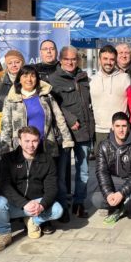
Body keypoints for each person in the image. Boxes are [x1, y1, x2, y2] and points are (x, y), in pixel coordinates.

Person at [0, 126, 63, 250]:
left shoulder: (47, 160)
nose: (31, 145)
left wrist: (42, 205)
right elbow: (4, 186)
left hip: (37, 203)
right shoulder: (8, 159)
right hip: (16, 204)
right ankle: (4, 233)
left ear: (39, 141)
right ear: (19, 141)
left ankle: (34, 221)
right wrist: (24, 204)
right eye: (27, 141)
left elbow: (52, 187)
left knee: (58, 210)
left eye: (34, 141)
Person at [49, 46, 95, 221]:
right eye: (67, 59)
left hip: (84, 132)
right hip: (65, 134)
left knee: (83, 171)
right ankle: (62, 206)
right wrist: (69, 119)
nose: (70, 62)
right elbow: (53, 104)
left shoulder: (84, 78)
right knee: (62, 172)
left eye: (73, 59)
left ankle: (79, 203)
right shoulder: (53, 80)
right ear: (60, 60)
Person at [0, 64, 74, 159]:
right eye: (25, 76)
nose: (29, 79)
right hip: (22, 148)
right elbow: (6, 126)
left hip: (46, 145)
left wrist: (67, 139)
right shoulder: (11, 99)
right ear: (19, 79)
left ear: (37, 79)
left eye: (32, 76)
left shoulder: (46, 96)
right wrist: (6, 148)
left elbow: (59, 118)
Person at [91, 112, 131, 228]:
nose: (121, 130)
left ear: (129, 126)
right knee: (97, 199)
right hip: (115, 179)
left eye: (124, 126)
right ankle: (119, 208)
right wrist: (109, 193)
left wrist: (121, 193)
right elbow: (101, 171)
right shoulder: (104, 145)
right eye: (117, 126)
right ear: (112, 127)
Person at [90, 45, 130, 152]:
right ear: (99, 60)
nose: (109, 62)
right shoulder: (91, 81)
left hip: (120, 131)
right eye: (105, 59)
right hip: (99, 132)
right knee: (101, 167)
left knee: (121, 167)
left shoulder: (125, 78)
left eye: (112, 59)